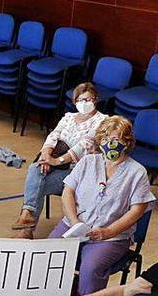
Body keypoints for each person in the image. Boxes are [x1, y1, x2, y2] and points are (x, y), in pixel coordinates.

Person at [37, 115, 155, 296]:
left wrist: (108, 232)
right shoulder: (88, 162)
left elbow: (137, 210)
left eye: (118, 139)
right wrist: (73, 220)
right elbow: (68, 192)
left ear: (128, 142)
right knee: (49, 253)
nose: (112, 143)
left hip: (111, 236)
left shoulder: (136, 172)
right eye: (108, 138)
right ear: (100, 140)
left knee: (91, 267)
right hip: (75, 226)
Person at [11, 82, 108, 238]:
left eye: (88, 99)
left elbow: (85, 145)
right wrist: (45, 156)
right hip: (56, 166)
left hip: (78, 173)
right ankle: (27, 217)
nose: (84, 103)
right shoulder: (68, 117)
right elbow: (53, 136)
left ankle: (26, 227)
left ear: (95, 100)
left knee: (37, 183)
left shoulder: (102, 121)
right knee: (36, 169)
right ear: (75, 101)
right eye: (81, 100)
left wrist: (56, 161)